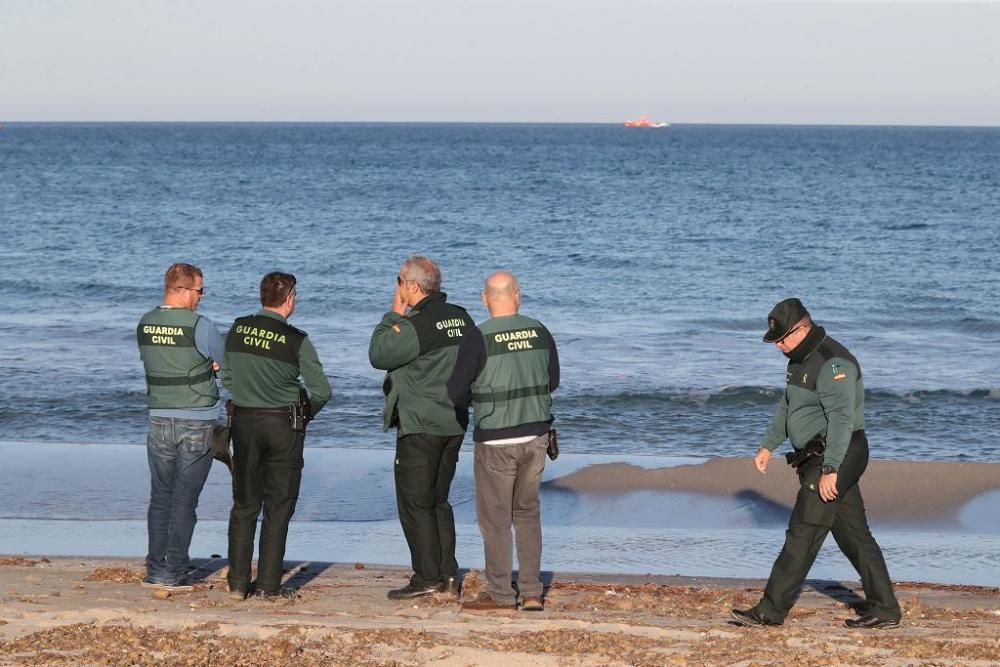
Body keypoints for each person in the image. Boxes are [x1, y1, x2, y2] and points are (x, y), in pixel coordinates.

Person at [731, 298, 901, 629]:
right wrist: (768, 444)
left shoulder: (833, 362)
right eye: (775, 341)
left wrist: (831, 468)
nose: (779, 346)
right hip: (816, 457)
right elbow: (788, 406)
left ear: (803, 328)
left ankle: (770, 610)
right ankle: (885, 608)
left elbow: (841, 420)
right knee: (854, 536)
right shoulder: (798, 359)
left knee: (803, 531)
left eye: (782, 339)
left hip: (839, 454)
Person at [447, 272, 559, 613]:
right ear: (518, 296)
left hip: (497, 437)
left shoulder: (478, 336)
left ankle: (500, 594)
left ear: (484, 298)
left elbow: (456, 391)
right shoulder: (539, 330)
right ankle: (530, 592)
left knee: (495, 519)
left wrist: (483, 402)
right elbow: (552, 381)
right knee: (527, 513)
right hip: (536, 435)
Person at [369, 256, 474, 600]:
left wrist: (392, 313)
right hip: (454, 421)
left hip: (421, 424)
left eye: (399, 281)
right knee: (438, 500)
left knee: (415, 502)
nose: (397, 287)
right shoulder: (461, 317)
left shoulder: (417, 323)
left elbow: (380, 354)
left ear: (413, 287)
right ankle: (446, 574)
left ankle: (427, 576)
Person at [223, 272, 331, 600]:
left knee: (244, 504)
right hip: (283, 424)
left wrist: (248, 393)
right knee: (279, 506)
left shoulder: (238, 328)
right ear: (289, 299)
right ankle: (269, 584)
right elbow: (322, 390)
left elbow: (227, 376)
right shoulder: (296, 339)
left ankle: (238, 583)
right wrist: (306, 412)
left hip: (243, 421)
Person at [136, 263, 225, 590]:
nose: (201, 298)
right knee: (184, 500)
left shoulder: (145, 323)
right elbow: (225, 363)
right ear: (184, 291)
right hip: (197, 421)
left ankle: (154, 570)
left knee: (160, 497)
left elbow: (158, 360)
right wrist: (212, 368)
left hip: (159, 418)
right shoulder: (200, 326)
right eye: (200, 291)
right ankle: (174, 573)